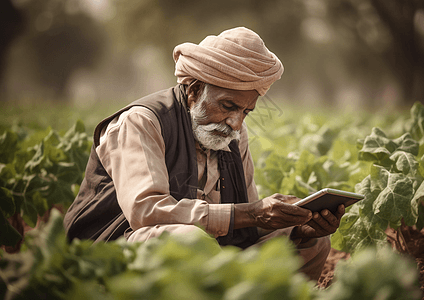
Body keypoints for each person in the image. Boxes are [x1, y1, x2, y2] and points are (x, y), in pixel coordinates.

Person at [63, 27, 345, 282]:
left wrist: (299, 228)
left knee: (311, 244)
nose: (235, 123)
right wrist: (251, 213)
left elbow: (245, 218)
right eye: (227, 106)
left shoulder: (234, 134)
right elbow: (146, 212)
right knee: (187, 239)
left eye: (245, 112)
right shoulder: (142, 122)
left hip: (209, 256)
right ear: (194, 90)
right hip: (113, 251)